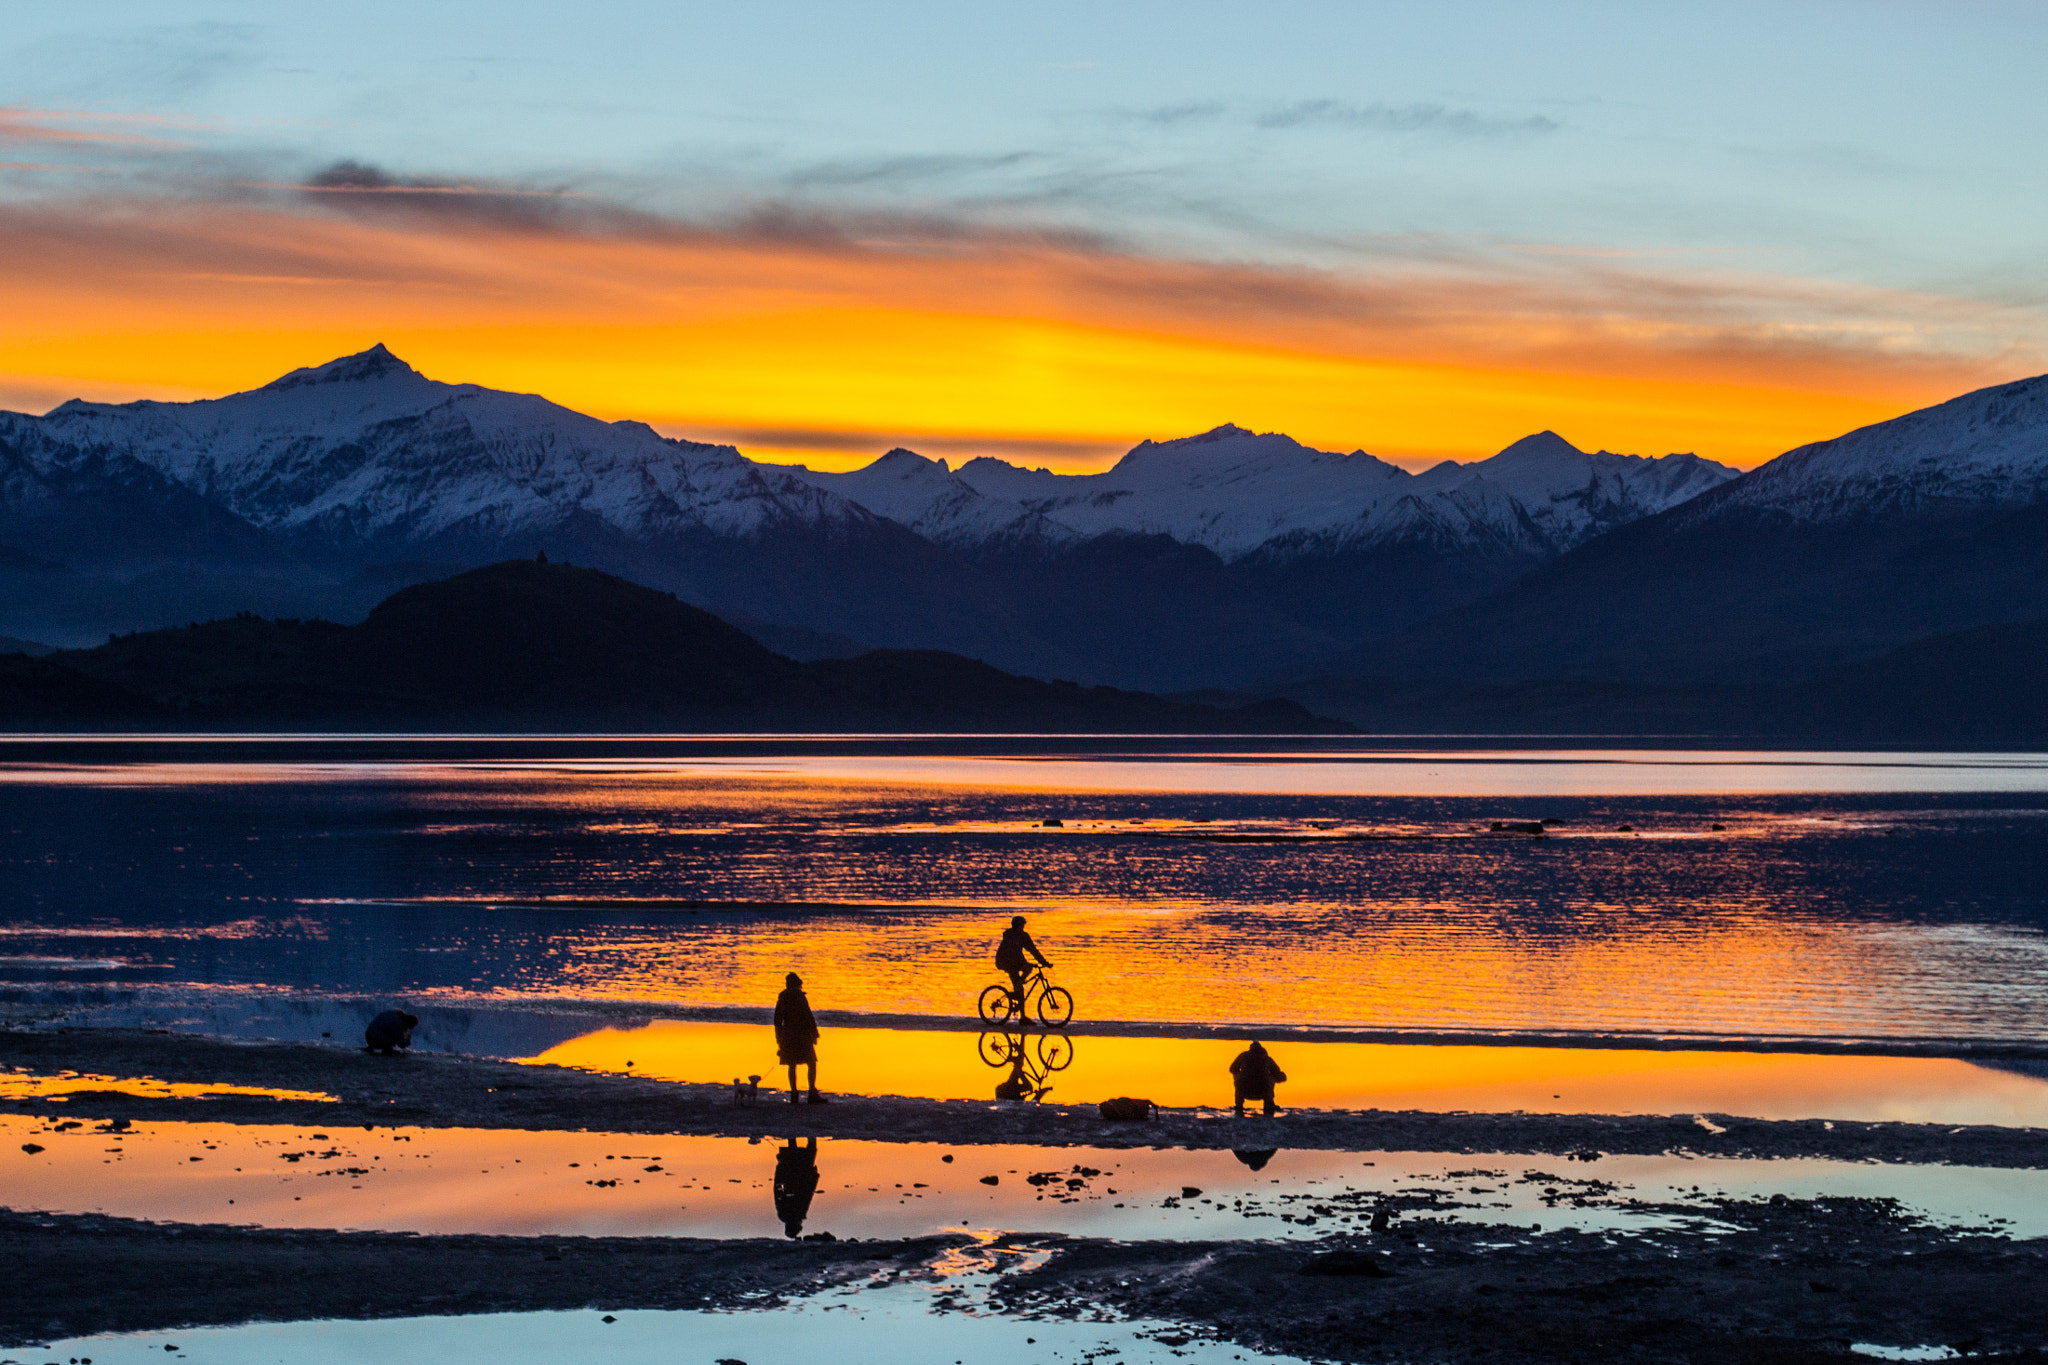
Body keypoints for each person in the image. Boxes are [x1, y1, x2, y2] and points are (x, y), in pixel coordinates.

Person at [774, 972, 826, 1104]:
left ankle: (794, 1093)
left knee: (792, 1065)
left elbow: (777, 1021)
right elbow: (809, 1017)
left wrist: (779, 1040)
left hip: (788, 1036)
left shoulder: (783, 998)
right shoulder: (800, 997)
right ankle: (812, 1092)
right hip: (802, 1036)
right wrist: (814, 1034)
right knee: (811, 1063)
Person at [994, 915, 1052, 1008]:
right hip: (1005, 961)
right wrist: (1025, 963)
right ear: (1015, 926)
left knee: (1020, 990)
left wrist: (1044, 962)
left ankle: (1023, 1017)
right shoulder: (1010, 936)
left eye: (1023, 926)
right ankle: (1017, 987)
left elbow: (1034, 951)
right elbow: (1016, 953)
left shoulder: (1024, 936)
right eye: (1020, 926)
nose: (1022, 928)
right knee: (1026, 971)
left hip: (1014, 961)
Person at [773, 1136, 820, 1237]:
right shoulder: (784, 1215)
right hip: (790, 1177)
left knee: (809, 1149)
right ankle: (795, 1133)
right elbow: (778, 1193)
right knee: (795, 1149)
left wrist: (814, 1178)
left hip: (800, 1178)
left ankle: (809, 1132)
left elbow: (808, 1195)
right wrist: (779, 1171)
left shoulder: (798, 1214)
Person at [1229, 1039, 1287, 1117]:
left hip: (1244, 1089)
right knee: (1272, 1077)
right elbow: (1278, 1074)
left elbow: (1232, 1069)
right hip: (1262, 1091)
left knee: (1237, 1076)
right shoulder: (1267, 1058)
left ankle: (1239, 1104)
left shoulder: (1243, 1056)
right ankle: (1269, 1103)